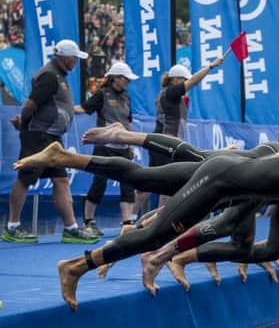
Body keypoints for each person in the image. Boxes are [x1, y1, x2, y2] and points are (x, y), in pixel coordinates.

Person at [14, 143, 279, 311]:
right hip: (225, 180)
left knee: (148, 178)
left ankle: (64, 157)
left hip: (236, 174)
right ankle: (76, 266)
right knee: (154, 236)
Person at [2, 40, 97, 244]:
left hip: (51, 137)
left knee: (61, 180)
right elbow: (30, 104)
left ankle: (71, 228)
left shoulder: (59, 75)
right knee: (25, 178)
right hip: (39, 136)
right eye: (74, 58)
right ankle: (12, 226)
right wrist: (24, 122)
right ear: (64, 58)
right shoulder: (49, 76)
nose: (76, 62)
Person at [135, 57, 224, 210]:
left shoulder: (174, 97)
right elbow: (194, 82)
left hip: (166, 144)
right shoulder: (170, 92)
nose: (186, 83)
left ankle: (133, 219)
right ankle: (150, 221)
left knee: (153, 184)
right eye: (183, 80)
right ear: (175, 80)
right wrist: (210, 66)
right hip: (164, 144)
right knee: (163, 184)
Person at [74, 62, 138, 235]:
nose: (128, 83)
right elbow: (83, 108)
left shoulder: (126, 97)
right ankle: (89, 221)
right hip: (104, 146)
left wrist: (131, 144)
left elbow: (128, 122)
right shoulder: (102, 94)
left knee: (128, 183)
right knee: (99, 183)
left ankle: (127, 223)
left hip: (123, 147)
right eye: (126, 79)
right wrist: (65, 108)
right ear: (115, 78)